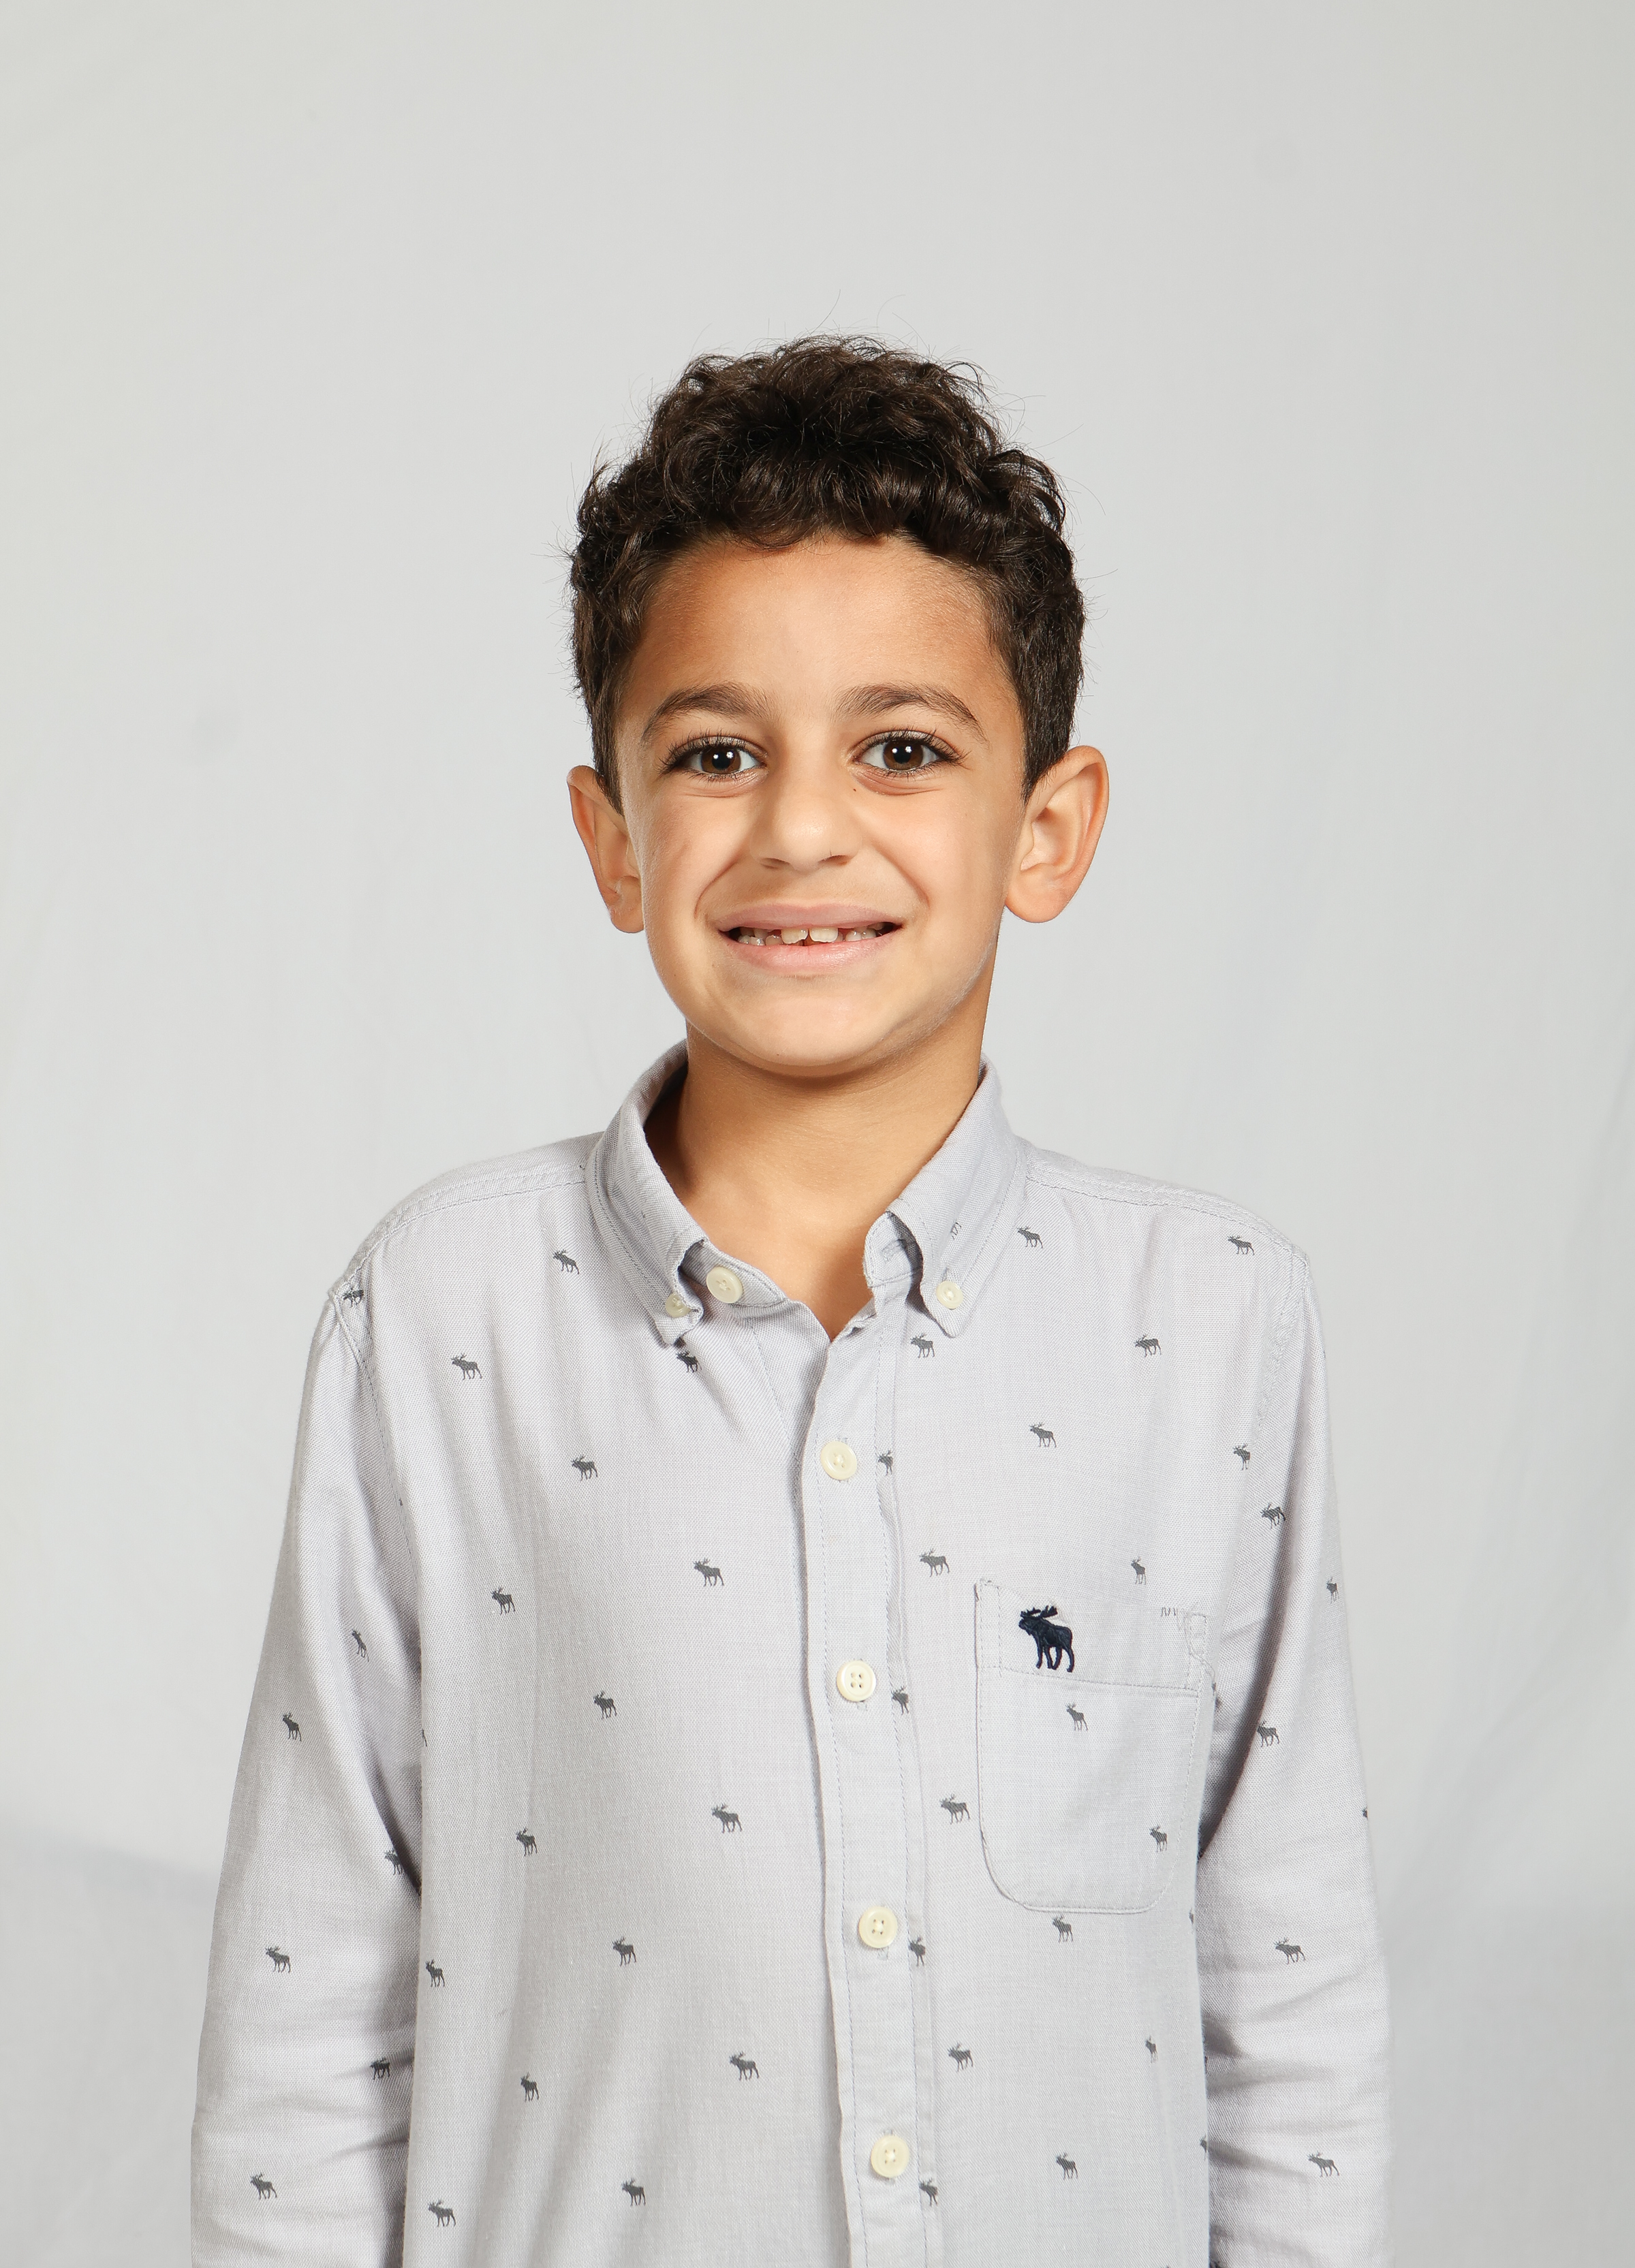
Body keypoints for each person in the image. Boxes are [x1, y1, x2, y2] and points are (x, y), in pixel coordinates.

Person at [191, 338, 1390, 2264]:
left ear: (1050, 826)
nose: (802, 829)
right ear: (612, 839)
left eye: (901, 748)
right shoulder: (443, 1320)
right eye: (716, 752)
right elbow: (307, 2017)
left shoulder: (1215, 1324)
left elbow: (1291, 2007)